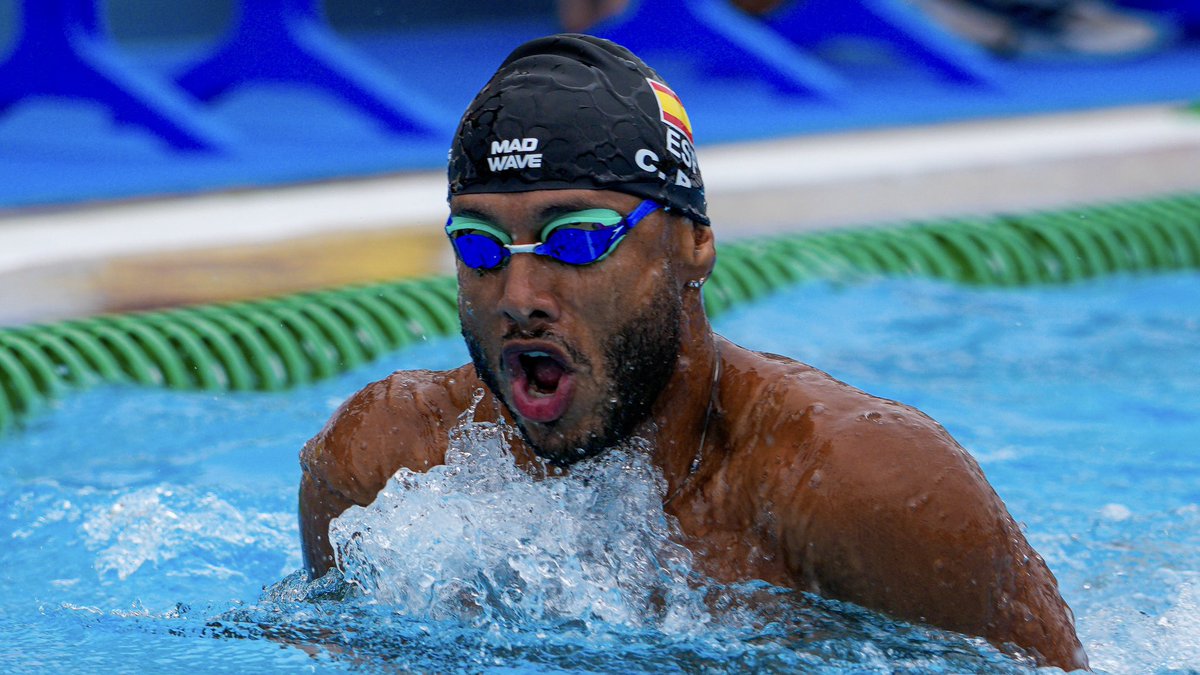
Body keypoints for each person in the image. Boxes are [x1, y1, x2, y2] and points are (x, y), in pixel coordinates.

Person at [298, 34, 1087, 671]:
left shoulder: (860, 483)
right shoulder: (385, 465)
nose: (517, 293)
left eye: (575, 238)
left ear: (693, 243)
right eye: (480, 244)